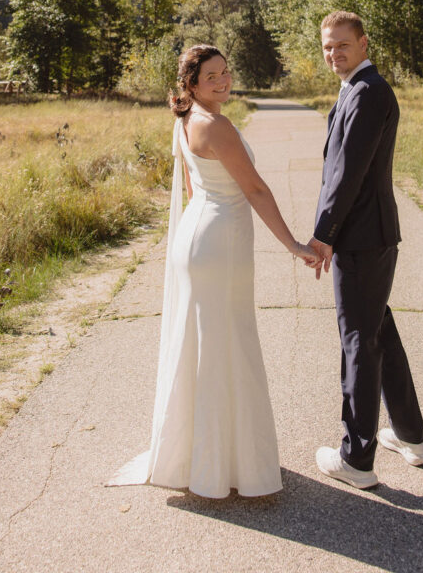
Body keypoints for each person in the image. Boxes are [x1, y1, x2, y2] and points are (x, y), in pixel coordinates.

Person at [107, 44, 319, 498]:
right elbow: (256, 191)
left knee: (205, 346)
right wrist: (293, 245)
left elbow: (191, 186)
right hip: (219, 243)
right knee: (228, 346)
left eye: (225, 71)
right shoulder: (215, 125)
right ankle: (225, 462)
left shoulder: (186, 122)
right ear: (191, 84)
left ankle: (208, 457)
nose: (222, 80)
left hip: (198, 236)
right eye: (211, 76)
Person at [308, 11, 423, 489]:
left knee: (358, 340)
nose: (334, 54)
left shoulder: (369, 91)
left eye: (342, 45)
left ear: (362, 43)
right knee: (379, 331)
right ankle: (410, 437)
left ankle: (357, 459)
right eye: (327, 48)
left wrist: (324, 235)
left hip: (361, 237)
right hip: (369, 235)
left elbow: (348, 174)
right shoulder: (358, 89)